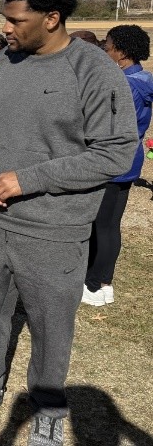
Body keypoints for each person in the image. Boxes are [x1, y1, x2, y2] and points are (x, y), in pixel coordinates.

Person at [0, 0, 137, 446]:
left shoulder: (92, 69)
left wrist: (27, 180)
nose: (5, 28)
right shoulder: (3, 63)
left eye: (14, 19)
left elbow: (115, 152)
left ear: (51, 18)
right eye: (4, 17)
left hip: (54, 230)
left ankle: (47, 409)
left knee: (50, 325)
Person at [83, 24, 153, 306]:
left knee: (103, 225)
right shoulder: (144, 79)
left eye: (108, 47)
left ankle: (96, 283)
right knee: (110, 223)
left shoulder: (122, 84)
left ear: (121, 53)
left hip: (111, 159)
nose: (105, 50)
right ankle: (102, 281)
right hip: (130, 159)